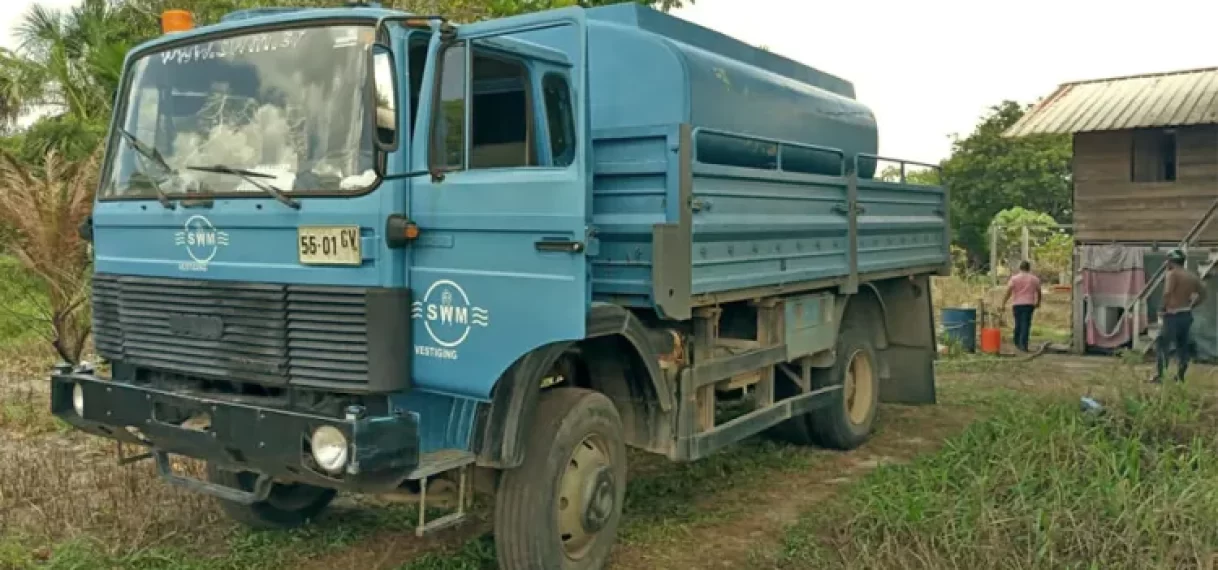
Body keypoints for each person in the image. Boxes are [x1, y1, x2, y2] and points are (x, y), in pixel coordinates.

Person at [1152, 249, 1206, 383]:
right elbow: (1203, 293)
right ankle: (1180, 376)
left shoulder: (1172, 274)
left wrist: (1161, 308)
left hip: (1172, 315)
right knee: (1182, 347)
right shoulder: (1191, 276)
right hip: (1186, 315)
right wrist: (1192, 305)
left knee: (1162, 345)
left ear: (1171, 261)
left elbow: (1167, 293)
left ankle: (1160, 376)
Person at [1002, 260, 1041, 352]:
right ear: (1029, 268)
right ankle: (1023, 344)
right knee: (1026, 324)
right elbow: (1039, 292)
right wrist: (1038, 302)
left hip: (1017, 304)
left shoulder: (1014, 278)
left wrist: (1003, 302)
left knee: (1018, 323)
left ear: (1020, 268)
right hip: (1029, 304)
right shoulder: (1034, 279)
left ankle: (1016, 342)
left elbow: (1009, 291)